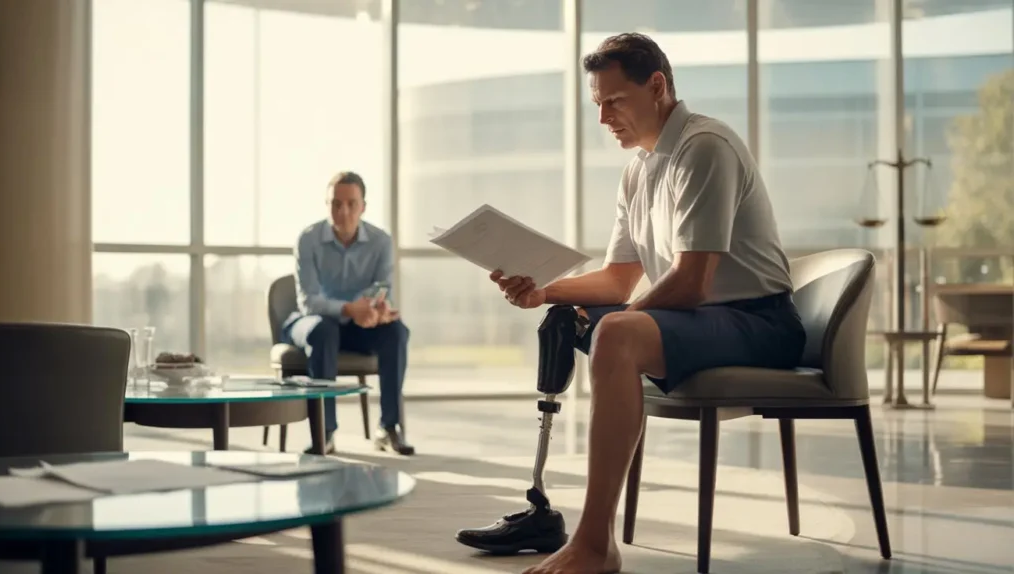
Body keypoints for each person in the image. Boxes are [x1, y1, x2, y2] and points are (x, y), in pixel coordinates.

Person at [481, 33, 807, 574]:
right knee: (574, 318)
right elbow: (616, 280)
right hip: (702, 319)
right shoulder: (638, 169)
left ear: (656, 86)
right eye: (598, 104)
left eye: (615, 101)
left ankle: (595, 544)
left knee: (613, 332)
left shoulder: (705, 147)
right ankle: (545, 507)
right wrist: (547, 290)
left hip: (761, 322)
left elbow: (691, 281)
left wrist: (617, 323)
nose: (605, 117)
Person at [282, 171, 414, 456]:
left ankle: (389, 428)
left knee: (396, 331)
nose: (343, 211)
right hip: (312, 325)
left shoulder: (381, 242)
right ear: (327, 204)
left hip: (358, 325)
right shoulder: (308, 239)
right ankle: (324, 432)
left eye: (351, 204)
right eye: (335, 204)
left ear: (363, 206)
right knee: (323, 329)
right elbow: (309, 301)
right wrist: (350, 309)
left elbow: (381, 290)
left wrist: (376, 312)